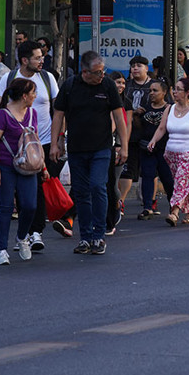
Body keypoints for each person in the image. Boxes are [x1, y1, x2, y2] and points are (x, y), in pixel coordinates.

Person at [51, 51, 128, 255]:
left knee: (97, 186)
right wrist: (55, 143)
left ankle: (99, 236)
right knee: (82, 192)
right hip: (76, 148)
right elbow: (58, 115)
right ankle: (85, 237)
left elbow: (119, 118)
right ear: (85, 72)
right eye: (97, 72)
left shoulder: (108, 86)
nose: (101, 75)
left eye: (103, 71)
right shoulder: (69, 86)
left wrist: (124, 146)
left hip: (102, 148)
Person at [0, 41, 60, 251]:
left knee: (38, 189)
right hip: (12, 146)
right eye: (37, 58)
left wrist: (59, 138)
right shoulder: (9, 78)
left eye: (42, 57)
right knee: (17, 195)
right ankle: (20, 235)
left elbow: (58, 111)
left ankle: (35, 232)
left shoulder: (47, 78)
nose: (42, 61)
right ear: (25, 60)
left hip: (42, 142)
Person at [0, 78, 43, 265]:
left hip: (28, 166)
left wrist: (42, 167)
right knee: (5, 207)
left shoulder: (32, 113)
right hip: (5, 165)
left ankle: (21, 238)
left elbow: (33, 141)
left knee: (30, 206)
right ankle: (1, 249)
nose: (35, 96)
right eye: (33, 93)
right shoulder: (2, 115)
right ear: (24, 96)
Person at [148, 77, 189, 227]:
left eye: (178, 89)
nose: (174, 92)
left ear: (187, 92)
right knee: (183, 183)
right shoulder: (169, 108)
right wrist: (154, 140)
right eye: (174, 89)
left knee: (181, 181)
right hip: (171, 152)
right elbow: (162, 128)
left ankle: (174, 211)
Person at [136, 79, 174, 219]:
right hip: (147, 148)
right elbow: (139, 128)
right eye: (150, 90)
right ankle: (147, 207)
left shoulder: (170, 108)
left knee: (167, 179)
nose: (151, 93)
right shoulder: (144, 108)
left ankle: (173, 205)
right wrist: (136, 116)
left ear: (164, 92)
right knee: (147, 176)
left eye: (155, 90)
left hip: (165, 149)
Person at [121, 55, 153, 214]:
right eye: (132, 65)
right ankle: (120, 202)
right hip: (130, 133)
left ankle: (149, 203)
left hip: (149, 132)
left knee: (148, 169)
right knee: (127, 169)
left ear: (147, 68)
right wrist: (132, 112)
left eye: (139, 65)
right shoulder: (125, 86)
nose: (135, 68)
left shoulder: (155, 86)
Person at [106, 71, 132, 235]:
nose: (121, 86)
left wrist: (123, 145)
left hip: (117, 145)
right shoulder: (106, 99)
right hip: (104, 144)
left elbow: (127, 125)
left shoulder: (126, 102)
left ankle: (115, 209)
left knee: (113, 181)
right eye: (117, 82)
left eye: (123, 83)